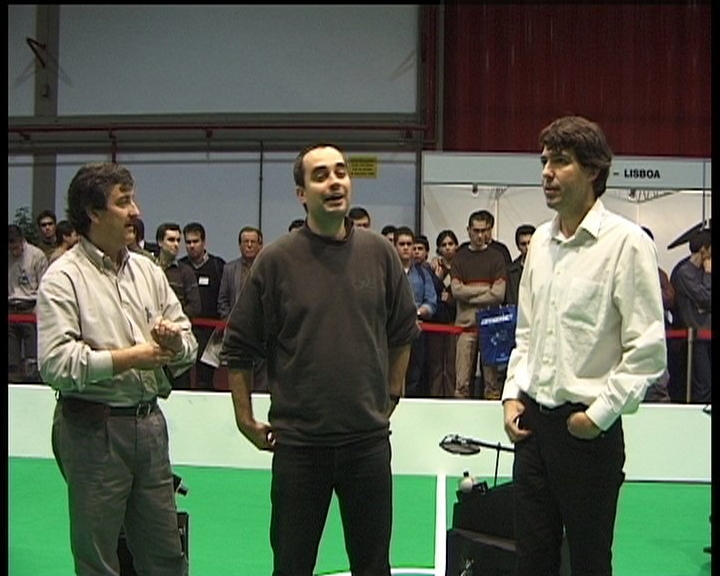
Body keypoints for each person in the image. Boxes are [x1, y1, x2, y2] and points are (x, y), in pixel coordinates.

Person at [220, 142, 419, 576]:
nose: (334, 182)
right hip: (299, 448)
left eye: (341, 172)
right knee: (292, 566)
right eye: (321, 175)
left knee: (373, 567)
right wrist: (244, 419)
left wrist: (393, 389)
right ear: (301, 194)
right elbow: (238, 347)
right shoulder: (275, 261)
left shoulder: (380, 253)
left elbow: (403, 330)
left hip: (367, 444)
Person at [501, 115, 667, 576]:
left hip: (588, 435)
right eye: (544, 162)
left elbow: (648, 350)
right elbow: (527, 332)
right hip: (533, 430)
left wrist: (597, 417)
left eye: (560, 162)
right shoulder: (540, 243)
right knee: (531, 560)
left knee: (589, 563)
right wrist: (512, 395)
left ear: (593, 170)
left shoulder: (626, 244)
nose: (546, 173)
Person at [36, 162, 197, 576]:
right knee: (98, 560)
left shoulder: (147, 270)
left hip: (150, 425)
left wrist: (174, 345)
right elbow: (55, 363)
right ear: (93, 212)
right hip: (91, 429)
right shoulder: (62, 278)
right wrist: (132, 357)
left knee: (167, 555)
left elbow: (188, 343)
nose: (135, 211)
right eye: (123, 202)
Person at [451, 210, 507, 399]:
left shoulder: (497, 257)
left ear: (489, 231)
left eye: (484, 230)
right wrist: (485, 289)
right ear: (468, 230)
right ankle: (459, 413)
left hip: (490, 326)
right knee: (461, 382)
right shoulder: (459, 257)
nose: (480, 235)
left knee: (492, 385)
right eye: (476, 231)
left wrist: (469, 296)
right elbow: (456, 291)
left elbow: (498, 294)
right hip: (465, 326)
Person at [218, 225, 267, 392]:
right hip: (237, 331)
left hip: (262, 331)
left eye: (253, 242)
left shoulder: (268, 268)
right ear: (239, 245)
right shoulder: (229, 269)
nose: (249, 245)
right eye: (246, 242)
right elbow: (222, 300)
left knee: (262, 377)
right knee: (238, 371)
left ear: (260, 244)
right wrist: (229, 322)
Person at [180, 221, 227, 390]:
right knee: (183, 376)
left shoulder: (217, 266)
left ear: (204, 242)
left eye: (195, 241)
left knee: (206, 378)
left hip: (211, 332)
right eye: (188, 242)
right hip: (186, 328)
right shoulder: (181, 267)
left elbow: (224, 296)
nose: (192, 246)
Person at [156, 222, 202, 389]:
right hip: (152, 339)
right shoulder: (150, 269)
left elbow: (195, 306)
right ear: (160, 242)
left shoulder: (186, 271)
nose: (176, 244)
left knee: (180, 388)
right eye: (171, 240)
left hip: (178, 339)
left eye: (178, 240)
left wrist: (172, 320)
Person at [394, 226, 437, 397]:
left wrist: (418, 313)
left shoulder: (423, 273)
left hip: (417, 330)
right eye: (402, 244)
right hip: (393, 331)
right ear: (394, 246)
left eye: (409, 244)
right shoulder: (387, 271)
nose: (406, 248)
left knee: (415, 375)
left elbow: (431, 302)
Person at [670, 228, 711, 404]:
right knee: (704, 385)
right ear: (704, 250)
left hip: (707, 334)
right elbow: (705, 297)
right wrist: (708, 274)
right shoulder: (684, 272)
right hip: (696, 338)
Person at [8, 224, 48, 382]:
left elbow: (44, 285)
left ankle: (32, 379)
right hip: (11, 307)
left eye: (16, 247)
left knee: (32, 356)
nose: (14, 252)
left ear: (22, 241)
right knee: (12, 357)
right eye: (10, 248)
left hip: (30, 307)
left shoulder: (36, 255)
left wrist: (39, 309)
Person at [640, 225, 673, 403]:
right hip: (635, 332)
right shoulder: (623, 270)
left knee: (659, 381)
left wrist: (651, 293)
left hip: (657, 330)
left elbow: (669, 298)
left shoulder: (659, 274)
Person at [427, 229, 459, 397]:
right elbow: (430, 291)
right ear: (438, 248)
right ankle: (436, 397)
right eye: (443, 244)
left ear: (456, 246)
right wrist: (437, 279)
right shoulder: (433, 267)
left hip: (455, 320)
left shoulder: (460, 266)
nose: (447, 247)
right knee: (436, 364)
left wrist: (451, 298)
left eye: (450, 244)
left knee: (453, 364)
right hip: (436, 321)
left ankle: (452, 398)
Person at [505, 224, 535, 306]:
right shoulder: (511, 271)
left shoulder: (545, 267)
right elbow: (511, 300)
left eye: (530, 243)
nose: (527, 247)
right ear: (518, 247)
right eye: (523, 244)